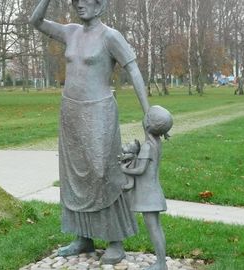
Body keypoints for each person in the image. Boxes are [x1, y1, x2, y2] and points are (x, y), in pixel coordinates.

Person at [29, 0, 149, 264]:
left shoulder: (110, 36)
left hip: (99, 112)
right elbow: (35, 22)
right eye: (76, 1)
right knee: (75, 177)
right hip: (70, 111)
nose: (79, 5)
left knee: (103, 172)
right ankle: (83, 237)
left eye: (86, 1)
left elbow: (134, 70)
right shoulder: (70, 31)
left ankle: (115, 240)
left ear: (100, 6)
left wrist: (147, 111)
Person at [121, 105, 173, 270]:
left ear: (148, 124)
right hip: (153, 192)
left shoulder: (147, 146)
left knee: (153, 229)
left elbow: (140, 170)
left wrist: (122, 168)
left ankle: (160, 263)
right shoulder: (155, 142)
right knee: (156, 228)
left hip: (148, 195)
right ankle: (161, 261)